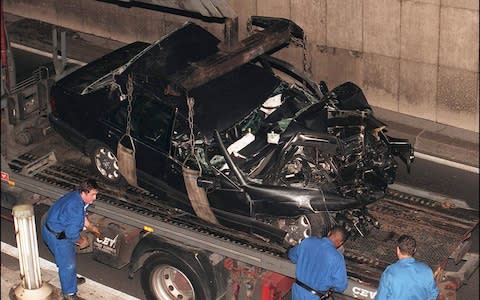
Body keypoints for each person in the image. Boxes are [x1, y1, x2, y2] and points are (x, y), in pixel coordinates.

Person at [42, 179, 102, 300]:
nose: (95, 198)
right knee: (68, 264)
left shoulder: (76, 196)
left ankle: (70, 279)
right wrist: (82, 242)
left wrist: (91, 227)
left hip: (52, 228)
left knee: (67, 259)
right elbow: (72, 234)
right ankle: (69, 294)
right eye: (93, 195)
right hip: (57, 236)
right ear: (84, 193)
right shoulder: (75, 207)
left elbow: (82, 216)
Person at [288, 226, 348, 300]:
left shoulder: (308, 241)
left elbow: (292, 255)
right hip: (314, 296)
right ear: (340, 243)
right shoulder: (337, 258)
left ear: (329, 233)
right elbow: (341, 286)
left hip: (297, 290)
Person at [375, 234, 440, 300]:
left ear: (398, 250)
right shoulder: (427, 270)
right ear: (414, 250)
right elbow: (434, 292)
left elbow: (381, 297)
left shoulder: (390, 272)